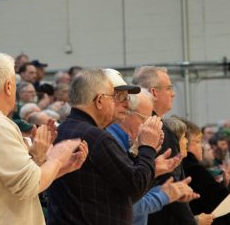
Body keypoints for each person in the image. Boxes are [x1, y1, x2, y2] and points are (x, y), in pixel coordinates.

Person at [0, 52, 88, 225]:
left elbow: (11, 183)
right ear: (8, 86)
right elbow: (29, 184)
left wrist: (61, 168)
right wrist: (57, 158)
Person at [47, 68, 163, 225]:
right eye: (116, 97)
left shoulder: (63, 130)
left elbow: (124, 193)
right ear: (100, 100)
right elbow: (136, 185)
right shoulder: (96, 137)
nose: (126, 103)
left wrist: (137, 151)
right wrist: (147, 147)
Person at [132, 66, 199, 225]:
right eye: (169, 88)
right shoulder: (160, 130)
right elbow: (171, 185)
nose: (173, 93)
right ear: (154, 92)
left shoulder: (138, 126)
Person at [181, 117, 230, 225]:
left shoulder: (188, 167)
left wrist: (226, 182)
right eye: (197, 141)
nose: (201, 146)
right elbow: (226, 201)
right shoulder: (193, 169)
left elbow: (210, 194)